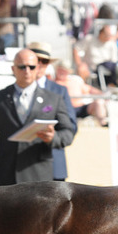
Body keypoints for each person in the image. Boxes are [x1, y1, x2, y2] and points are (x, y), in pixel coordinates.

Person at [0, 48, 75, 187]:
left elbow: (68, 131)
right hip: (4, 175)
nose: (27, 71)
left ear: (37, 68)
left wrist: (53, 138)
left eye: (31, 67)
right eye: (22, 67)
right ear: (13, 69)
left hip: (39, 175)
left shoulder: (53, 99)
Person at [27, 41, 77, 182]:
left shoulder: (59, 91)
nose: (40, 64)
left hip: (53, 163)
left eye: (44, 61)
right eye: (37, 60)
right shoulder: (12, 92)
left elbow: (70, 126)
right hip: (22, 166)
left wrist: (53, 137)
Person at [53, 60, 108, 126]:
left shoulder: (75, 80)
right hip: (64, 110)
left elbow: (90, 89)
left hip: (80, 108)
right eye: (60, 70)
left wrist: (104, 95)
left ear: (68, 71)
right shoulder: (52, 84)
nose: (62, 72)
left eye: (64, 70)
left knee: (99, 102)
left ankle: (103, 124)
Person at [76, 24, 118, 89]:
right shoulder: (90, 39)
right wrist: (79, 63)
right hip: (90, 67)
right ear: (101, 33)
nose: (108, 37)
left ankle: (115, 91)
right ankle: (83, 90)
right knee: (81, 69)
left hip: (106, 69)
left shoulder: (112, 43)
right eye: (106, 35)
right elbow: (76, 48)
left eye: (109, 35)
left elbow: (114, 61)